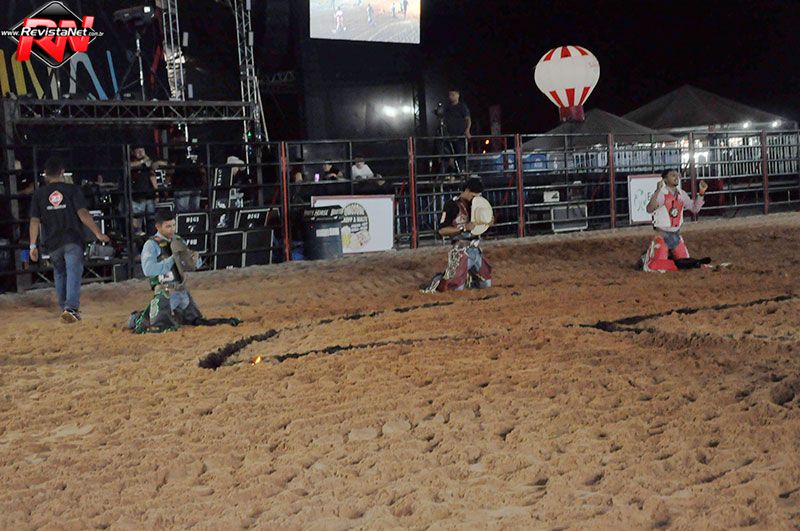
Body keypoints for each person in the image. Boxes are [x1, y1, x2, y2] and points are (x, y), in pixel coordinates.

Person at [28, 156, 110, 322]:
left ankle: (65, 307)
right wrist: (98, 233)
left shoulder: (39, 194)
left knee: (59, 273)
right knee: (73, 272)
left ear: (46, 174)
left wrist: (32, 245)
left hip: (52, 241)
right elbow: (83, 213)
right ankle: (71, 308)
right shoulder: (72, 190)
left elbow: (34, 221)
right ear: (62, 172)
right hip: (72, 238)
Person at [129, 210, 239, 332]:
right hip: (164, 290)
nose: (172, 229)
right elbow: (149, 270)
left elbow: (188, 265)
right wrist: (173, 259)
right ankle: (137, 318)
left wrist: (195, 260)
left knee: (195, 319)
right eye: (168, 226)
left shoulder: (178, 240)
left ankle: (156, 315)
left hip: (180, 290)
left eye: (174, 225)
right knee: (160, 323)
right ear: (158, 227)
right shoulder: (151, 245)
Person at [421, 176, 492, 292]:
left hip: (475, 248)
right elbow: (442, 231)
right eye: (473, 196)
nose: (475, 199)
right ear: (467, 191)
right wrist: (463, 228)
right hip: (460, 250)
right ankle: (440, 280)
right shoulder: (452, 205)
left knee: (486, 284)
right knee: (456, 288)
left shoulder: (476, 205)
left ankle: (465, 279)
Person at [640, 169, 708, 272]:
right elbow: (650, 209)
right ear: (665, 180)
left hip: (675, 235)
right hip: (663, 235)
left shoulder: (681, 194)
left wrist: (701, 192)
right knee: (658, 266)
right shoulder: (661, 194)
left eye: (677, 175)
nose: (676, 177)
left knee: (660, 265)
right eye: (673, 175)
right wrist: (657, 191)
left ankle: (671, 261)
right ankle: (679, 263)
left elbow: (695, 209)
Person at [129, 145, 159, 235]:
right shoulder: (131, 161)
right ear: (133, 152)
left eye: (142, 150)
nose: (140, 152)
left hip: (149, 195)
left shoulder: (148, 163)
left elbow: (153, 173)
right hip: (137, 196)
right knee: (137, 221)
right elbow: (129, 165)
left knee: (151, 219)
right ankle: (138, 239)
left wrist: (156, 192)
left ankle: (151, 237)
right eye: (138, 150)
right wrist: (142, 161)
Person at [440, 89, 471, 174]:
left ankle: (462, 172)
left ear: (458, 95)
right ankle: (446, 174)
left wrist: (467, 130)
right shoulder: (447, 108)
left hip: (460, 135)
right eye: (450, 95)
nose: (451, 97)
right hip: (449, 136)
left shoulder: (462, 107)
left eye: (453, 95)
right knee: (446, 155)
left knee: (460, 155)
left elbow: (468, 119)